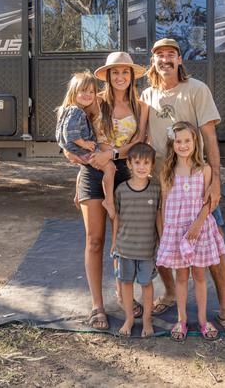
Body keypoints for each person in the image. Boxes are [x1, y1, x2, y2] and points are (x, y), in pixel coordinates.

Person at [140, 37, 225, 339]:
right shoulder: (147, 95)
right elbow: (141, 138)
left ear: (180, 60)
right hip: (162, 182)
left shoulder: (196, 90)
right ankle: (172, 293)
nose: (165, 59)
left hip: (197, 180)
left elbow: (210, 137)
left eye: (171, 54)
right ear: (153, 62)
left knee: (212, 243)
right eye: (159, 55)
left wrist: (215, 181)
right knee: (162, 239)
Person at [64, 52, 150, 331]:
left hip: (125, 174)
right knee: (95, 240)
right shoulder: (94, 101)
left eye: (125, 72)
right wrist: (76, 157)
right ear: (108, 76)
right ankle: (97, 305)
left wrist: (111, 154)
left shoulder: (141, 106)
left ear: (132, 76)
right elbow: (69, 130)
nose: (120, 77)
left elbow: (138, 141)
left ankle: (123, 295)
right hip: (92, 173)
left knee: (122, 241)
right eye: (115, 73)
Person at [156, 121, 225, 341]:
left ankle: (204, 320)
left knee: (199, 275)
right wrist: (165, 233)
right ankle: (182, 319)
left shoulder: (204, 170)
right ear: (172, 144)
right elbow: (165, 203)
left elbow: (208, 202)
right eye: (178, 141)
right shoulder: (167, 171)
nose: (183, 145)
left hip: (199, 229)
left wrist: (198, 224)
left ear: (195, 142)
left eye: (187, 140)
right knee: (182, 277)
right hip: (176, 231)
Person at [109, 142, 162, 337]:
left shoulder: (155, 189)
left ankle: (147, 319)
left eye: (146, 163)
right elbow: (117, 219)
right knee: (126, 283)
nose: (141, 167)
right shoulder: (121, 190)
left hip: (147, 249)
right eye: (137, 162)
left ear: (152, 165)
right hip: (125, 248)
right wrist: (114, 242)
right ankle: (129, 318)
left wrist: (162, 240)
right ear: (129, 164)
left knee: (146, 284)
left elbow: (158, 216)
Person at [55, 71, 117, 218]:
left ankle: (78, 195)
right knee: (110, 167)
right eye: (83, 91)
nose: (88, 95)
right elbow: (71, 133)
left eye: (91, 91)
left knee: (84, 168)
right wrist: (84, 144)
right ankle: (109, 200)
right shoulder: (76, 111)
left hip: (77, 149)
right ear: (73, 92)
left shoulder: (68, 110)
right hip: (80, 148)